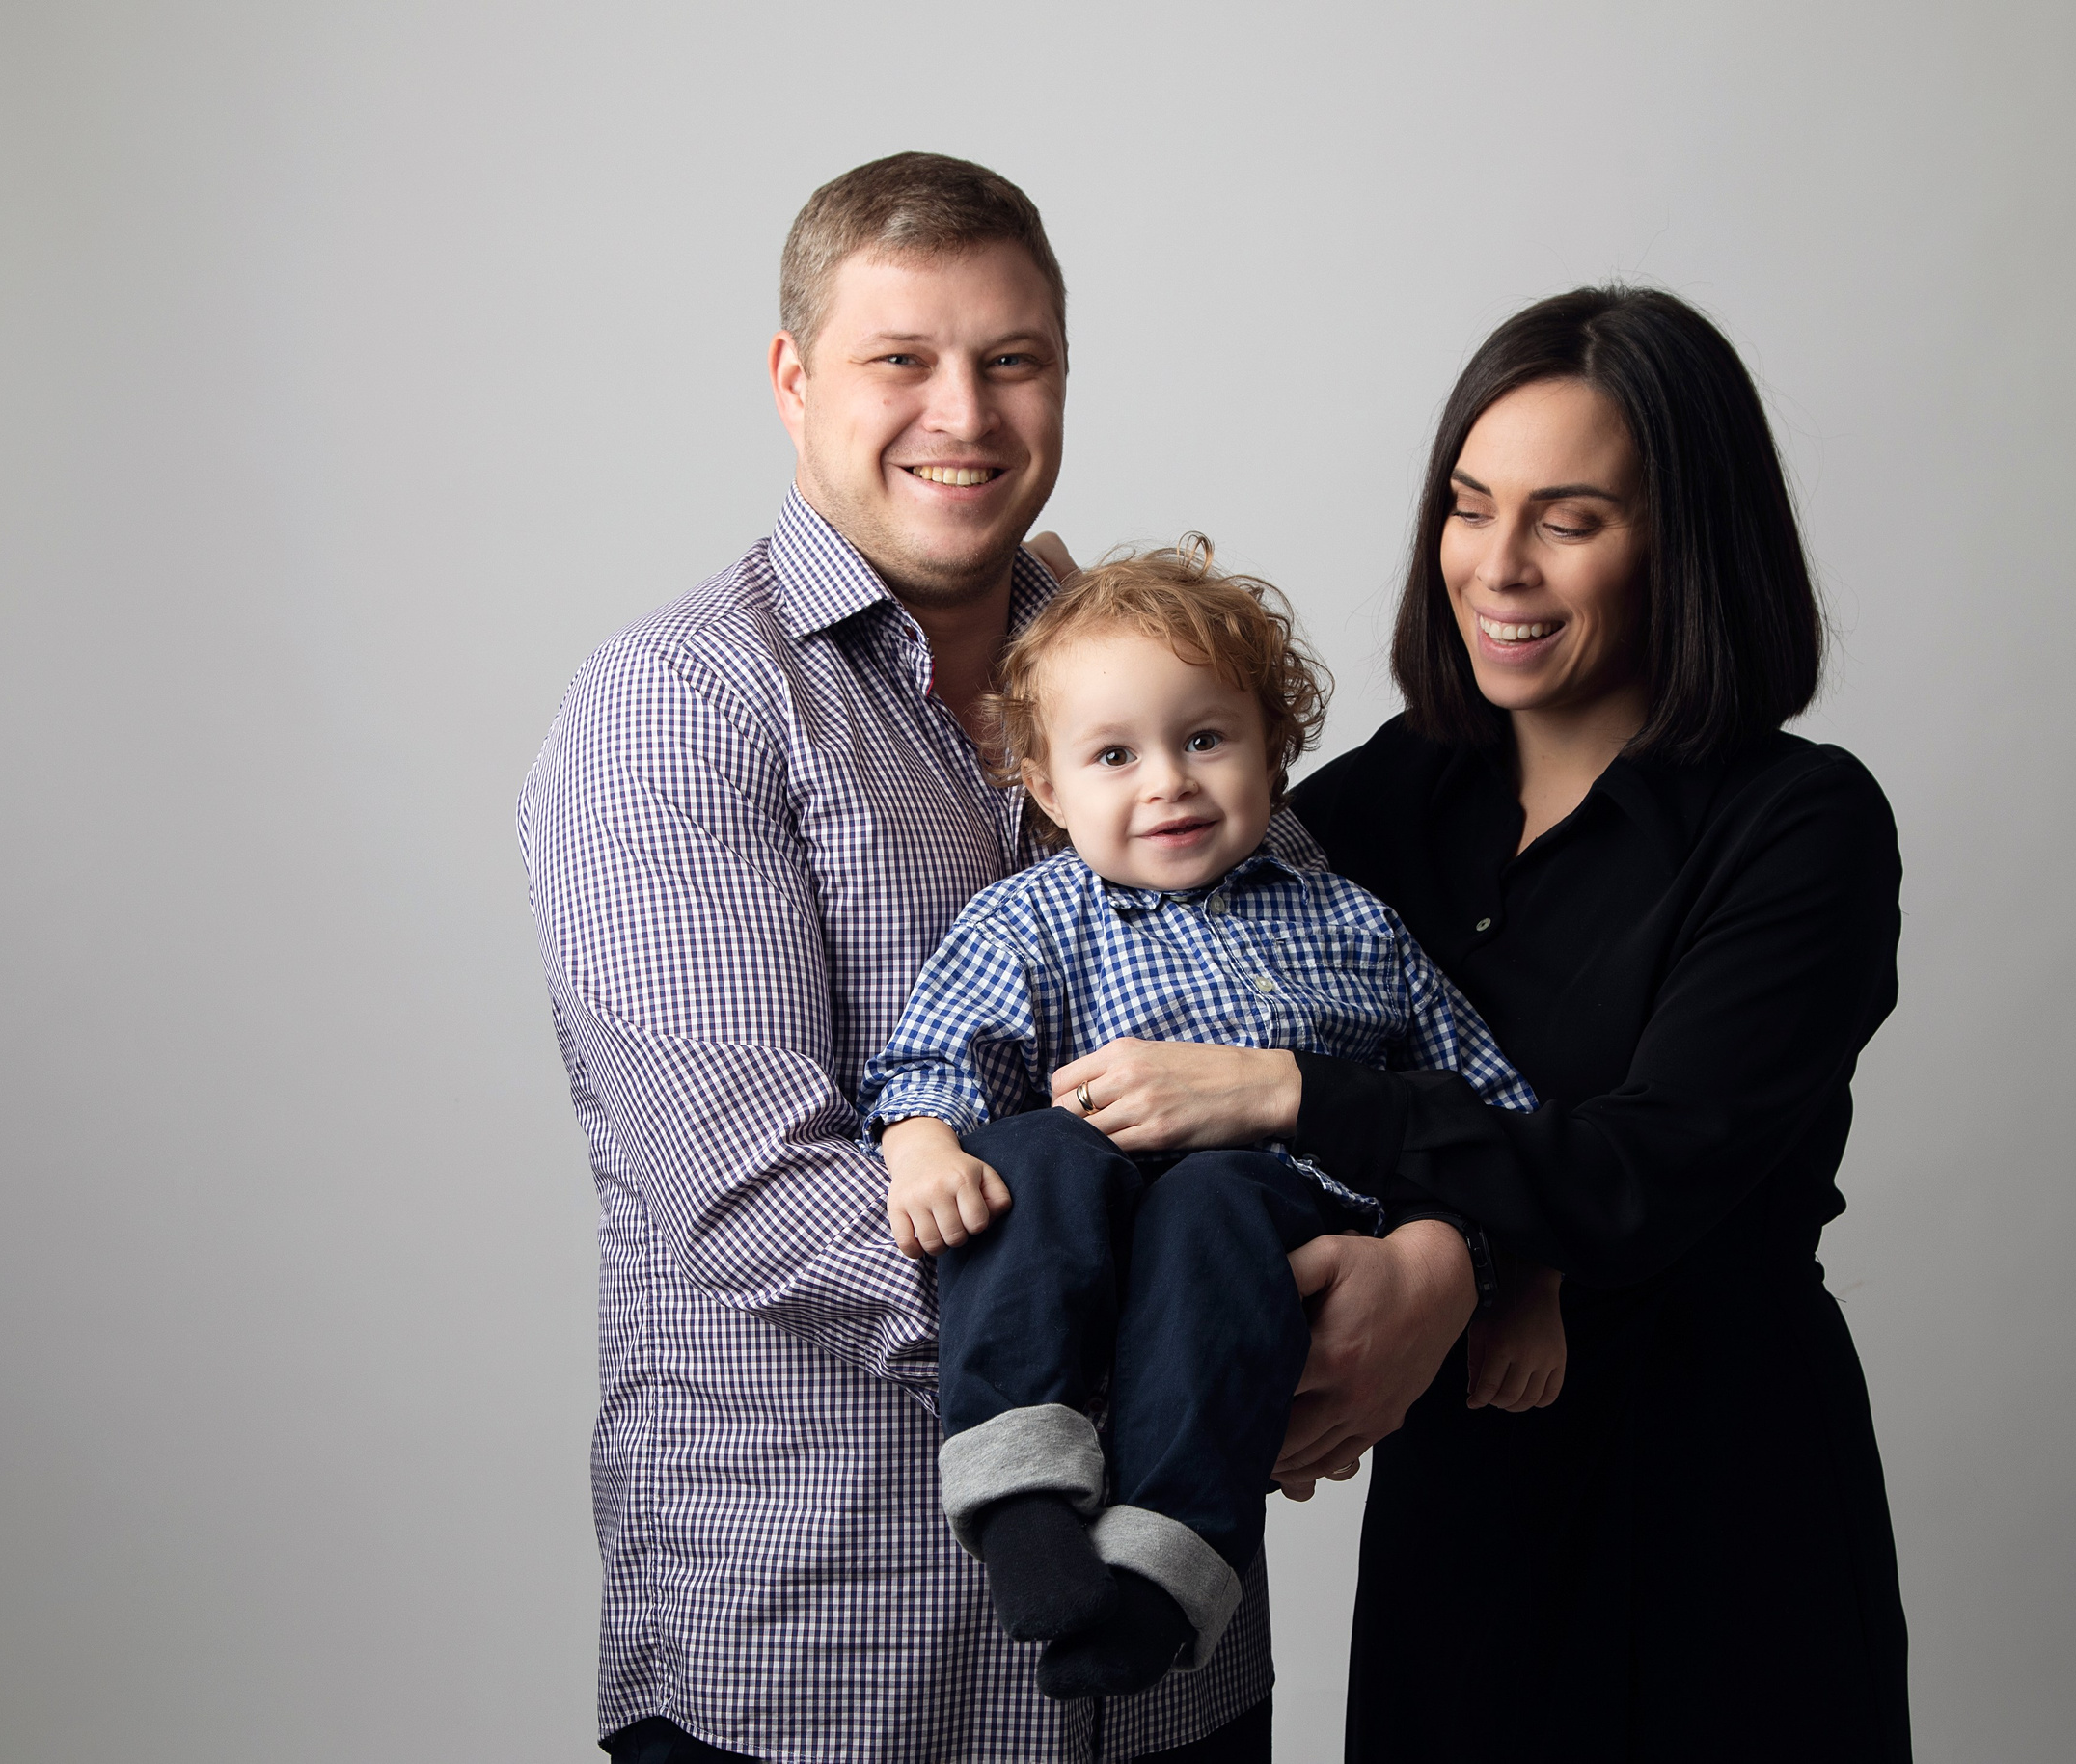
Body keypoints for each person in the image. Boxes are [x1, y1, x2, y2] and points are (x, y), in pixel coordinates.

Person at [1041, 286, 1912, 1760]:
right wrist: (1058, 630)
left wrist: (1293, 1100)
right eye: (1468, 504)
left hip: (1718, 1518)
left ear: (1683, 543)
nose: (1495, 566)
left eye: (1569, 519)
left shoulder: (1801, 826)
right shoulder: (1399, 793)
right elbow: (1163, 893)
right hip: (1467, 1508)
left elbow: (1640, 1179)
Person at [520, 153, 1274, 1764]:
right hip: (833, 1661)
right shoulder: (681, 707)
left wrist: (1401, 1256)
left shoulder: (1152, 664)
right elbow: (755, 1192)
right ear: (793, 380)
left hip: (1172, 1671)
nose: (968, 412)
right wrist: (1207, 1322)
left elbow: (1314, 982)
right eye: (901, 360)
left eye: (1014, 359)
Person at [855, 543, 1547, 1703]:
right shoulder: (1030, 917)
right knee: (1024, 1149)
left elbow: (1485, 1106)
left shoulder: (1349, 919)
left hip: (1276, 1212)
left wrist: (1527, 1283)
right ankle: (1020, 1487)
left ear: (1271, 753)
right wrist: (919, 1140)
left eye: (1205, 739)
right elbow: (936, 1055)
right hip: (1099, 1212)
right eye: (1114, 755)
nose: (1166, 781)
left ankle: (1166, 1567)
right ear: (1047, 786)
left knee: (1215, 1196)